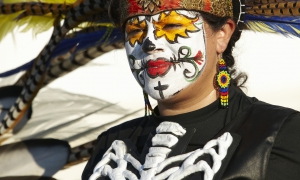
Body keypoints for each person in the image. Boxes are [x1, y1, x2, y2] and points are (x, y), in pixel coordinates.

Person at [82, 0, 300, 179]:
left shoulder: (278, 135)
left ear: (222, 34)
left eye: (171, 26)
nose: (149, 43)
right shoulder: (109, 145)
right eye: (136, 31)